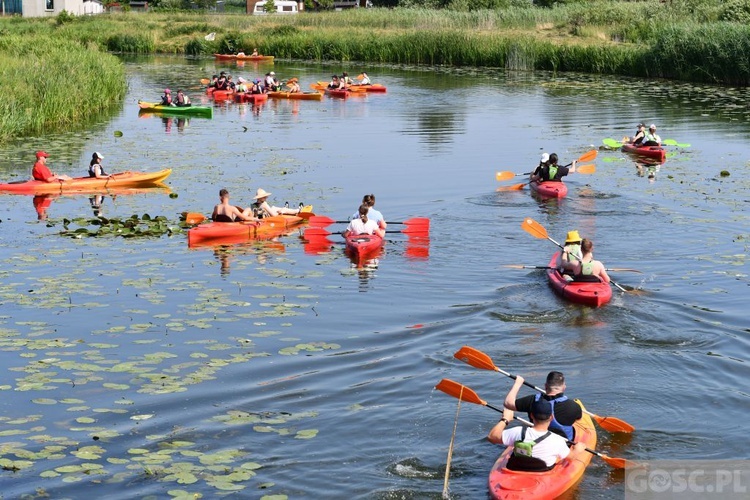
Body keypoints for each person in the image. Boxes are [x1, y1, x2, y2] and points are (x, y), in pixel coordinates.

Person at [489, 382, 585, 471]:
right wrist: (578, 449)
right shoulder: (558, 440)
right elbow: (571, 458)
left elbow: (492, 437)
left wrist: (505, 419)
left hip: (516, 470)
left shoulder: (518, 432)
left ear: (531, 415)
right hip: (542, 474)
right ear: (551, 417)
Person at [502, 372, 583, 441]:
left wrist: (518, 383)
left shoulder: (532, 400)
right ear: (564, 387)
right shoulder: (574, 406)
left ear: (545, 386)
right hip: (564, 444)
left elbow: (508, 403)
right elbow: (579, 419)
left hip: (536, 441)